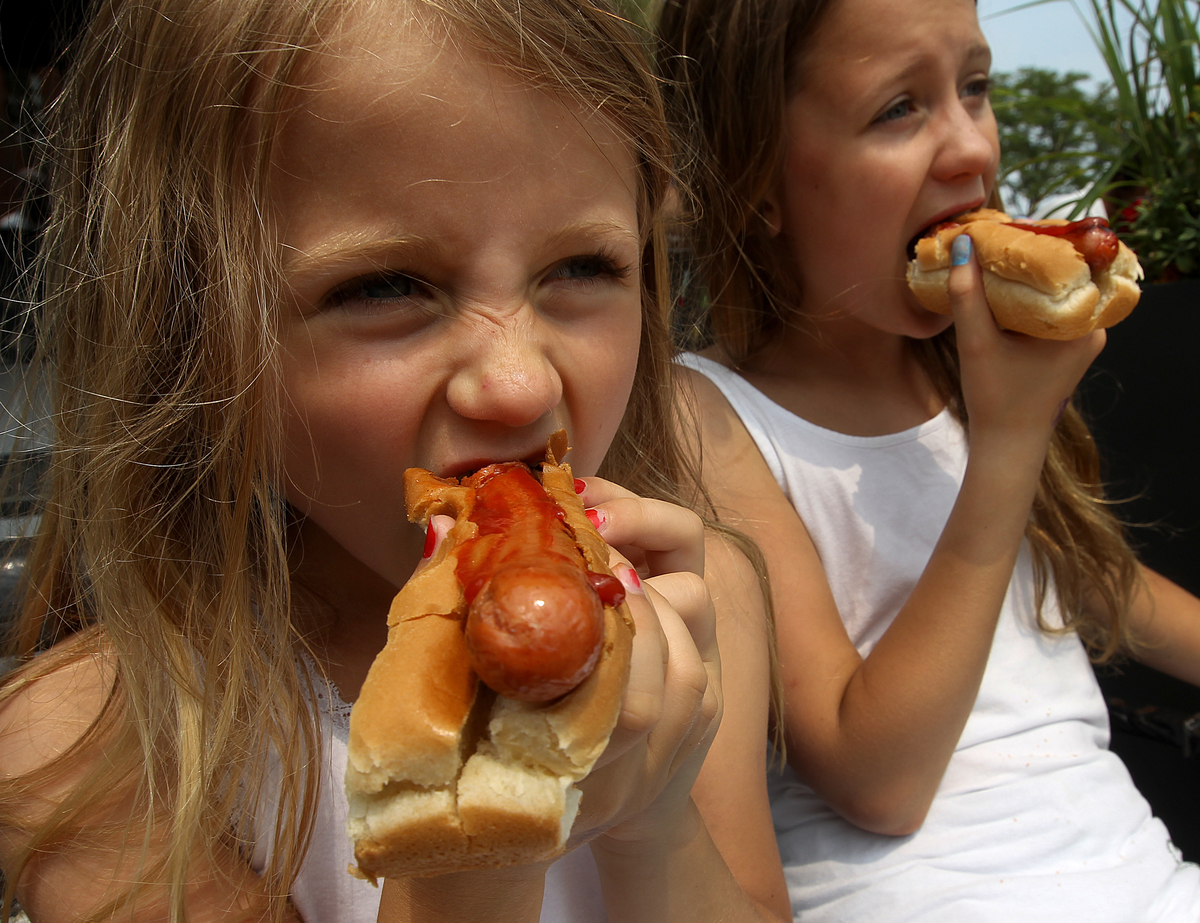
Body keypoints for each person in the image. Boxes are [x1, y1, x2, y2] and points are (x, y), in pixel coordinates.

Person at [0, 0, 792, 921]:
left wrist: (654, 823)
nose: (518, 384)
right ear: (195, 344)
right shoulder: (79, 747)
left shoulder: (700, 595)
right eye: (385, 286)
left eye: (582, 267)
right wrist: (472, 858)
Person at [656, 0, 1200, 920]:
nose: (970, 150)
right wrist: (1010, 442)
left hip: (1138, 868)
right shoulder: (707, 414)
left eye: (974, 88)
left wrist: (1010, 435)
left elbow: (1097, 578)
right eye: (897, 109)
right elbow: (878, 778)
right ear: (759, 182)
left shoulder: (968, 366)